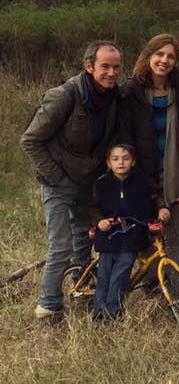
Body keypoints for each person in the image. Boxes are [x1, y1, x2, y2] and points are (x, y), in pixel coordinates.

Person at [22, 40, 123, 320]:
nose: (111, 73)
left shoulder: (113, 98)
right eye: (105, 67)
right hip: (57, 180)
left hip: (87, 182)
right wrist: (57, 178)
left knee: (84, 240)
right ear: (89, 67)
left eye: (116, 67)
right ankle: (49, 305)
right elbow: (30, 140)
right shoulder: (64, 96)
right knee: (61, 245)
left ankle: (81, 290)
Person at [117, 34, 179, 272]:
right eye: (159, 54)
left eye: (171, 56)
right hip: (143, 173)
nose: (164, 60)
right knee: (147, 235)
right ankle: (153, 284)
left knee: (175, 237)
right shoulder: (130, 92)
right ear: (148, 56)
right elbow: (124, 137)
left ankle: (173, 291)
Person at [91, 143, 162, 321]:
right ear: (108, 163)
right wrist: (99, 221)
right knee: (104, 275)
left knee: (120, 275)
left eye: (125, 158)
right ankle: (99, 313)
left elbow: (157, 196)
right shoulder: (102, 184)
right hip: (108, 236)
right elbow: (92, 207)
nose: (120, 162)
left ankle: (112, 314)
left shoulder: (142, 181)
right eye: (115, 159)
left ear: (133, 161)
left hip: (132, 236)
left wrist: (162, 208)